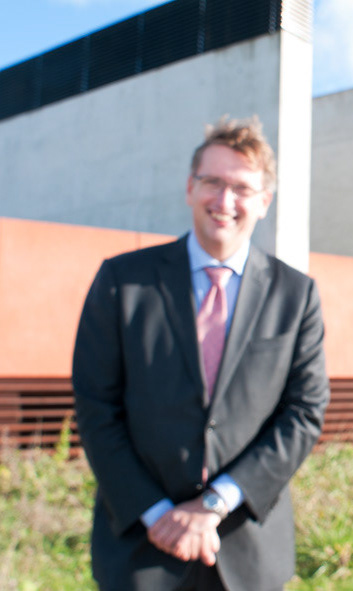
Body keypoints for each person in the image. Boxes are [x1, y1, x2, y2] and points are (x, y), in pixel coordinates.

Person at [72, 117, 330, 591]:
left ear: (264, 202)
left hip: (248, 549)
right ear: (190, 188)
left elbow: (304, 411)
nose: (224, 201)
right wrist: (158, 514)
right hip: (140, 547)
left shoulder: (296, 296)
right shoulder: (121, 282)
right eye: (212, 182)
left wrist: (214, 504)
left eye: (242, 188)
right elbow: (95, 407)